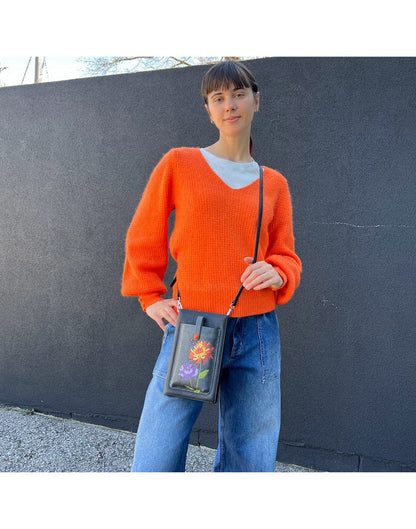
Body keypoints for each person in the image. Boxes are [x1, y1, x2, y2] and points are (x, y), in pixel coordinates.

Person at [121, 60, 302, 472]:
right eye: (218, 98)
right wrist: (149, 296)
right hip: (195, 325)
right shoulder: (180, 163)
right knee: (158, 452)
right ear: (208, 109)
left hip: (257, 330)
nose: (229, 105)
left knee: (251, 453)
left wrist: (279, 271)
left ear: (257, 100)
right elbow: (143, 232)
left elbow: (286, 254)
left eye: (238, 94)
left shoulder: (273, 182)